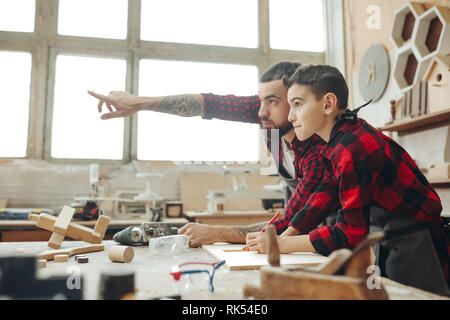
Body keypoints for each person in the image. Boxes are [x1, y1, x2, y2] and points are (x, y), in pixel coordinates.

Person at [246, 64, 449, 295]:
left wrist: (284, 244)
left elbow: (350, 233)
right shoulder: (337, 140)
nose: (291, 116)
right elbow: (323, 196)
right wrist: (284, 235)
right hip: (387, 238)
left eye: (298, 105)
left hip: (413, 245)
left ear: (328, 104)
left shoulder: (353, 146)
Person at [88, 61, 328, 247]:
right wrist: (138, 103)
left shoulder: (320, 148)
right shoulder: (271, 120)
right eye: (260, 101)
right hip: (295, 230)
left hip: (333, 235)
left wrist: (216, 233)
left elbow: (294, 220)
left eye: (272, 101)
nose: (261, 111)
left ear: (297, 101)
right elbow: (209, 104)